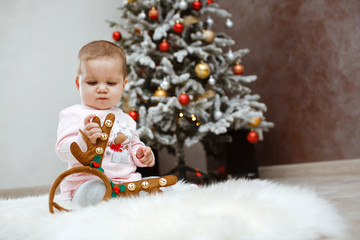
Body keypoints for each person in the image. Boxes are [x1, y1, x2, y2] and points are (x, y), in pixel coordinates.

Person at [55, 40, 155, 206]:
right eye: (92, 83)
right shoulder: (73, 114)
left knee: (153, 184)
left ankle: (135, 198)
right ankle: (116, 200)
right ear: (78, 84)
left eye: (111, 83)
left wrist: (141, 154)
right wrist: (83, 140)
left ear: (123, 85)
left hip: (125, 182)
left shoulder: (126, 119)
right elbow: (62, 151)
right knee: (97, 190)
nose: (102, 89)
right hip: (87, 183)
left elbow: (133, 146)